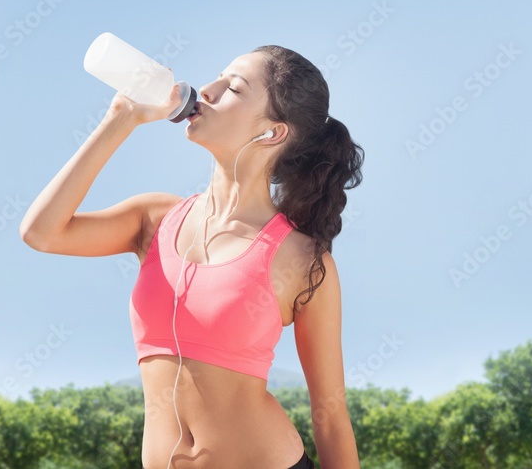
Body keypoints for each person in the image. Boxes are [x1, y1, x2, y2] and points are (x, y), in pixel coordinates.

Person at [20, 45, 364, 468]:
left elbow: (329, 418)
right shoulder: (155, 219)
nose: (208, 89)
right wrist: (121, 119)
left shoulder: (303, 260)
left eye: (234, 88)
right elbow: (41, 232)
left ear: (272, 132)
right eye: (217, 77)